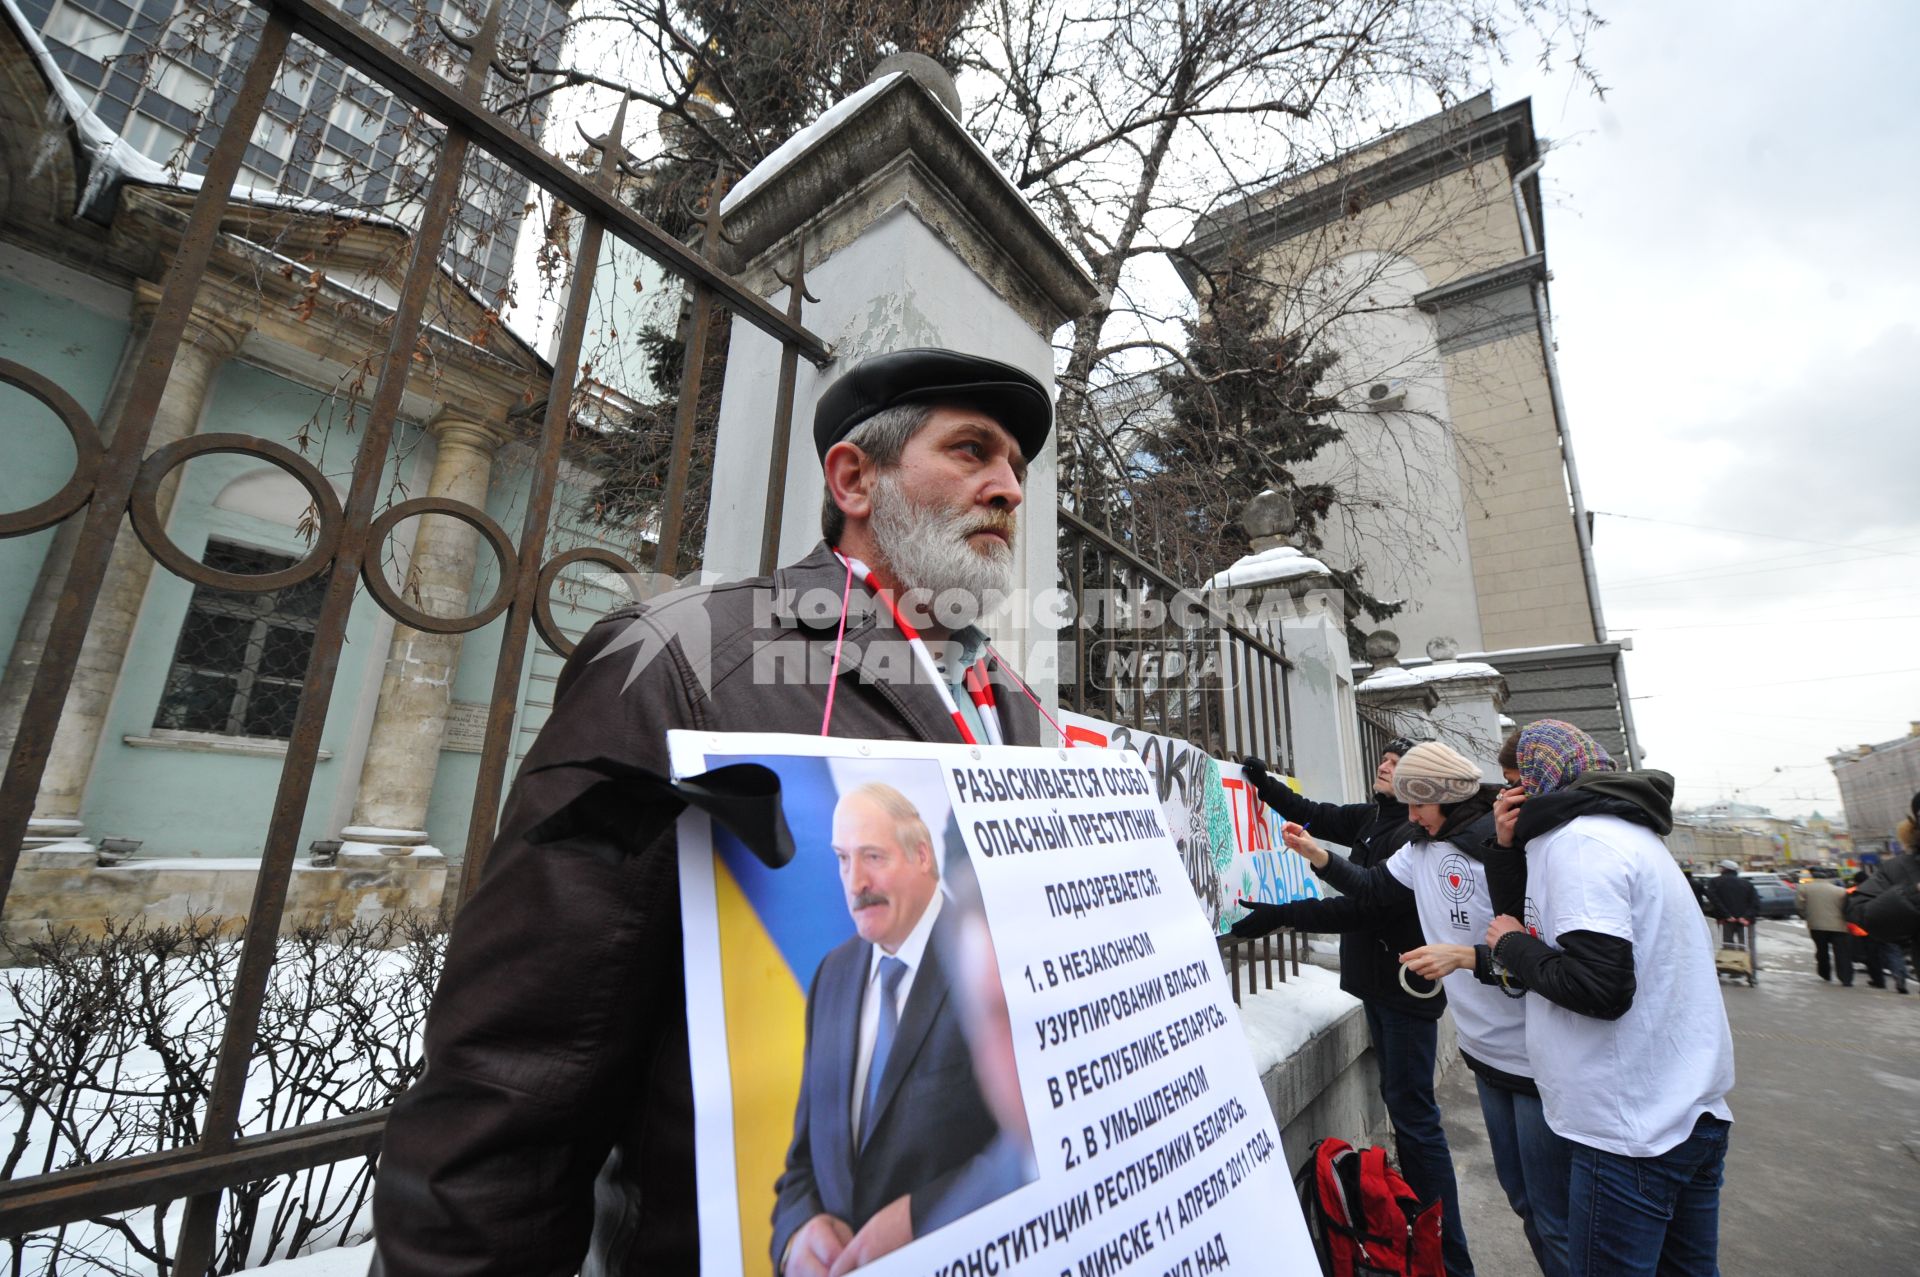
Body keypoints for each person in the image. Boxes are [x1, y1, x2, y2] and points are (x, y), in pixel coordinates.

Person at [369, 348, 1059, 1276]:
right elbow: (515, 1076)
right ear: (855, 479)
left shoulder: (1017, 707)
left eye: (1015, 466)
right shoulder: (683, 661)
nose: (1008, 488)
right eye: (973, 450)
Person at [1267, 741, 1572, 1277]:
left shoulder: (1500, 850)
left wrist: (1467, 957)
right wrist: (1316, 855)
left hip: (1539, 1056)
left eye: (1418, 805)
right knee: (1526, 1202)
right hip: (1486, 1055)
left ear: (1446, 799)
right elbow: (1371, 887)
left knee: (1554, 1216)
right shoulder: (1420, 847)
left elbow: (1541, 950)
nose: (1409, 817)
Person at [1484, 720, 1733, 1277]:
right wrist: (1506, 853)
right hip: (1687, 1111)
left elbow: (1597, 987)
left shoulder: (1578, 845)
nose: (1505, 800)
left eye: (1514, 784)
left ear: (1542, 779)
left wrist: (1511, 946)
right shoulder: (1626, 833)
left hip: (1628, 1132)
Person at [1235, 741, 1475, 1277]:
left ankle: (1446, 1254)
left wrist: (1285, 914)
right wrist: (1262, 783)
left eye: (1398, 765)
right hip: (1375, 987)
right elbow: (1314, 814)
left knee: (1415, 1119)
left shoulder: (1416, 841)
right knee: (1403, 1108)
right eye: (1383, 761)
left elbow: (1361, 905)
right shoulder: (1370, 817)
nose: (1385, 768)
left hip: (1407, 994)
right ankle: (1413, 1222)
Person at [772, 784, 1019, 1275]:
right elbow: (802, 1161)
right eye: (843, 859)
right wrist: (798, 1234)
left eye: (873, 857)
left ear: (922, 854)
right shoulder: (832, 976)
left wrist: (918, 1217)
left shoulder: (986, 963)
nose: (855, 881)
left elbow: (1031, 1149)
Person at [1797, 874, 1855, 986]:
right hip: (1839, 925)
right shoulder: (1840, 891)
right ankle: (1845, 978)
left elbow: (1799, 906)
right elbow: (1847, 907)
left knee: (1821, 950)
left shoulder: (1805, 888)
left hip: (1816, 925)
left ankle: (1825, 973)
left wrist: (1806, 916)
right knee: (1842, 952)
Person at [1702, 860, 1759, 946]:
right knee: (1747, 946)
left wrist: (1727, 915)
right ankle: (1749, 959)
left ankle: (1731, 959)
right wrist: (1746, 917)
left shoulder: (1714, 882)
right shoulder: (1747, 883)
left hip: (1725, 920)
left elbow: (1714, 900)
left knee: (1727, 945)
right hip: (1745, 921)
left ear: (1723, 869)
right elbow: (1755, 902)